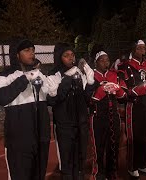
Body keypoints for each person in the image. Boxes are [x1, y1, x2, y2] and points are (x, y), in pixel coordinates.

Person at [0, 38, 54, 180]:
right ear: (16, 54)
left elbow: (51, 101)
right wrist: (24, 78)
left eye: (33, 50)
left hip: (41, 138)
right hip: (19, 141)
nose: (31, 53)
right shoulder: (4, 76)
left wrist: (55, 89)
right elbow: (1, 98)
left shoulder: (39, 74)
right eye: (27, 50)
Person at [47, 42, 94, 180]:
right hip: (64, 125)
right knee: (67, 161)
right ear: (59, 57)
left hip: (81, 122)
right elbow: (53, 101)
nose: (70, 58)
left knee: (81, 158)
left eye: (72, 55)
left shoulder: (78, 72)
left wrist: (90, 82)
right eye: (66, 55)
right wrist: (67, 80)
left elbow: (86, 98)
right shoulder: (53, 75)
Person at [117, 40, 146, 178]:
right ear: (134, 49)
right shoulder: (125, 65)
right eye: (140, 47)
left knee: (145, 135)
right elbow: (124, 88)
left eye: (144, 47)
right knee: (133, 137)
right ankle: (132, 165)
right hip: (133, 105)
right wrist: (141, 88)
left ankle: (142, 163)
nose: (143, 50)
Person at [88, 50, 127, 180]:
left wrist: (118, 89)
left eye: (107, 60)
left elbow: (124, 96)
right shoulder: (91, 76)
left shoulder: (115, 75)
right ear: (96, 62)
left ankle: (112, 172)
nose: (106, 62)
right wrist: (100, 91)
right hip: (97, 116)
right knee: (98, 147)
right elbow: (87, 99)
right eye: (102, 60)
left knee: (113, 146)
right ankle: (99, 173)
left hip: (113, 115)